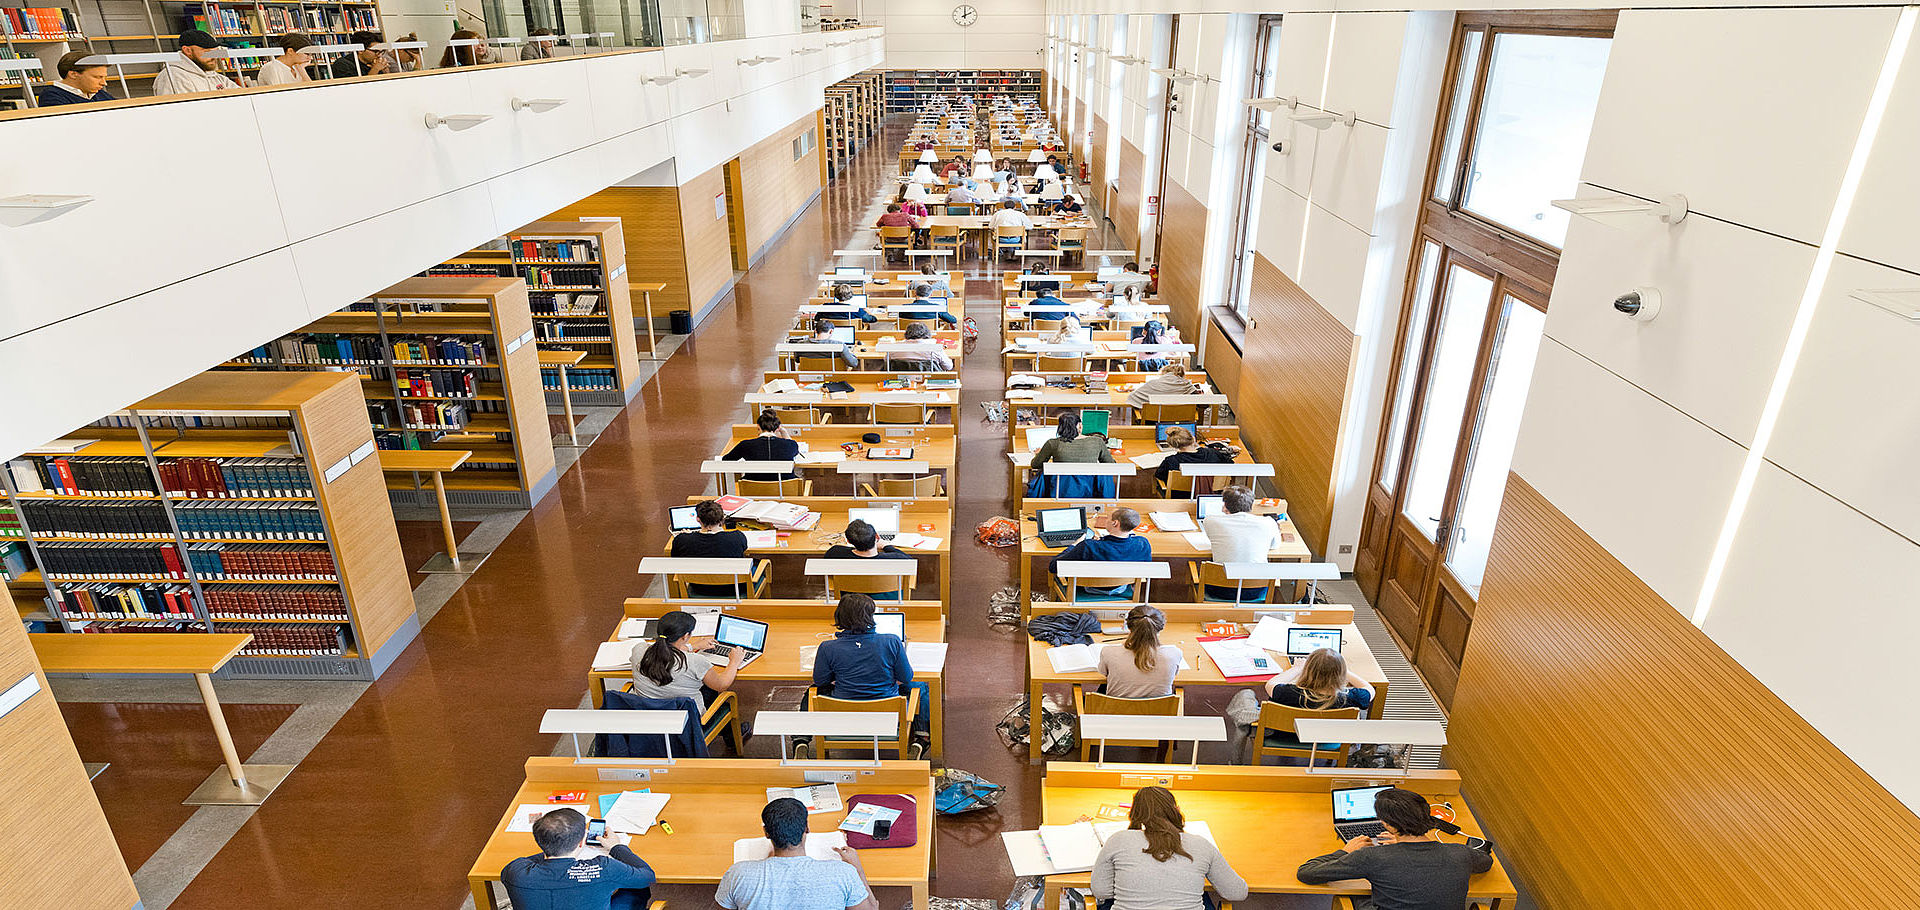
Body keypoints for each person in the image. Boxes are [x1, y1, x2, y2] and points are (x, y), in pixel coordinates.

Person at [1296, 787, 1493, 910]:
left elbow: (1306, 873)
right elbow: (1485, 862)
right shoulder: (1460, 853)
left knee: (1351, 895)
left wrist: (1346, 851)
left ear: (1389, 825)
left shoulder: (1371, 857)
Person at [1092, 786, 1248, 910]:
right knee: (1203, 895)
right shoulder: (1201, 845)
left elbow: (1101, 891)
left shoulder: (1118, 840)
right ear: (1176, 810)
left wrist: (1138, 887)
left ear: (1134, 814)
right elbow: (1237, 893)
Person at [810, 593, 930, 750]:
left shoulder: (827, 647)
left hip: (844, 715)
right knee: (920, 686)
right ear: (871, 617)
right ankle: (922, 737)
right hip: (887, 715)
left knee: (811, 691)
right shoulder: (891, 641)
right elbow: (906, 677)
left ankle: (801, 741)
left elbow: (820, 681)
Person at [714, 798, 878, 910]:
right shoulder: (843, 873)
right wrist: (858, 869)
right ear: (807, 828)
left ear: (766, 832)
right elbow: (872, 908)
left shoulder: (738, 873)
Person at [502, 807, 656, 910]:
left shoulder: (515, 872)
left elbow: (530, 862)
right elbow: (648, 876)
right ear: (582, 842)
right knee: (636, 889)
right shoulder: (605, 868)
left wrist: (555, 848)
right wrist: (616, 847)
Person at [629, 610, 743, 714]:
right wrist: (734, 661)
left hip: (647, 715)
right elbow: (722, 684)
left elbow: (665, 650)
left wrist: (692, 646)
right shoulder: (694, 661)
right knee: (711, 689)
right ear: (685, 636)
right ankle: (729, 732)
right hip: (687, 722)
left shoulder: (639, 650)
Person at [1052, 511, 1153, 604]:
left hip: (1088, 589)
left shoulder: (1088, 546)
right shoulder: (1142, 543)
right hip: (1121, 588)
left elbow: (1053, 566)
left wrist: (1075, 545)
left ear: (1115, 523)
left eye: (1108, 518)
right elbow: (1145, 569)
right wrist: (1101, 541)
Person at [1201, 486, 1282, 599]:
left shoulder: (1210, 521)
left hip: (1219, 589)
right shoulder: (1269, 523)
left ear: (1225, 506)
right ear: (1251, 505)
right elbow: (1275, 546)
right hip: (1255, 589)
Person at [670, 499, 759, 597]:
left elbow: (675, 561)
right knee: (756, 563)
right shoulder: (737, 537)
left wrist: (687, 536)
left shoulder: (682, 540)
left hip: (699, 588)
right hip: (735, 589)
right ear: (722, 519)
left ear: (698, 519)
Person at [1268, 648, 1374, 712]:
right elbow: (1370, 689)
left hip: (1289, 738)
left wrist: (1297, 668)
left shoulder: (1290, 693)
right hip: (1332, 740)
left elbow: (1271, 684)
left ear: (1308, 670)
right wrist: (1343, 670)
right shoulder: (1352, 697)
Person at [151, 30, 240, 95]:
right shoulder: (172, 77)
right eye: (207, 52)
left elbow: (240, 95)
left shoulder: (214, 75)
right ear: (187, 50)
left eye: (215, 51)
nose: (213, 56)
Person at [724, 410, 803, 481]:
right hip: (785, 490)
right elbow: (794, 449)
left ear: (758, 426)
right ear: (778, 428)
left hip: (753, 490)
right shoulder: (790, 445)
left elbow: (726, 460)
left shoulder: (745, 445)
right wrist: (784, 432)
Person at [1152, 426, 1231, 493]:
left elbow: (1159, 475)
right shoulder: (1213, 453)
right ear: (1193, 439)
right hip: (1212, 494)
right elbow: (1229, 465)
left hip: (1181, 498)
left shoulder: (1171, 461)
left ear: (1173, 446)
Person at [34, 52, 113, 106]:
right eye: (97, 77)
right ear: (73, 74)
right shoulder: (51, 96)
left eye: (104, 77)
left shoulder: (98, 93)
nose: (104, 83)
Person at [1128, 361, 1203, 411]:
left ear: (1164, 373)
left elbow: (1132, 397)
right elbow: (1203, 405)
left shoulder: (1152, 383)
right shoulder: (1187, 386)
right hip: (1180, 421)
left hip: (1153, 420)